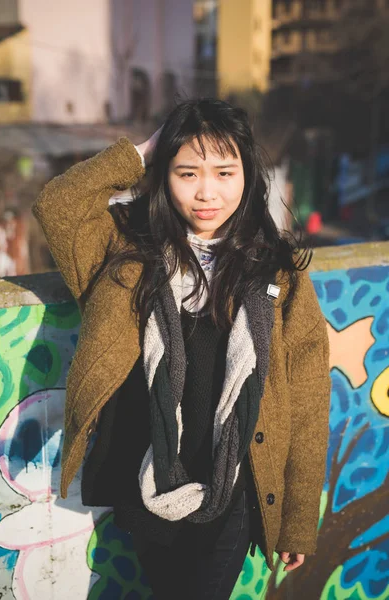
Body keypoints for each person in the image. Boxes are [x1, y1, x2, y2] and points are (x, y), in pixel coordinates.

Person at [32, 98, 331, 600]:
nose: (207, 192)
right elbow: (57, 205)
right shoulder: (125, 255)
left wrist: (298, 518)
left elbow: (307, 398)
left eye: (224, 172)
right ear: (163, 173)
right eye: (187, 172)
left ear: (248, 175)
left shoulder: (276, 271)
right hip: (148, 482)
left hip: (234, 489)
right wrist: (144, 150)